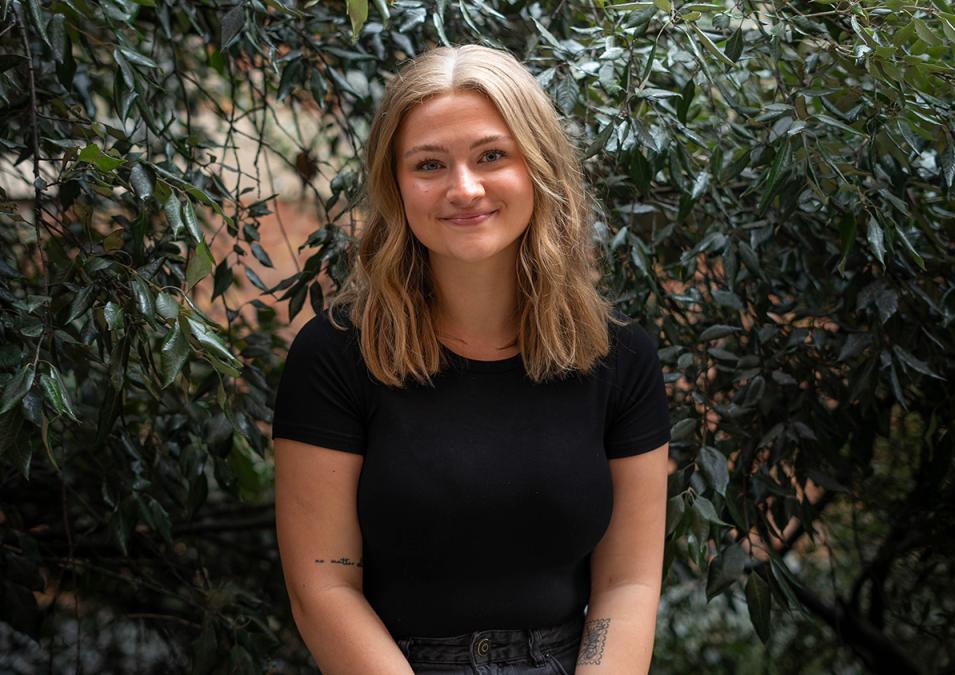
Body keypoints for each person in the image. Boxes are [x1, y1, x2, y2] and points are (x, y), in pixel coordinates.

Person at [272, 44, 670, 675]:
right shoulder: (336, 358)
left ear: (537, 167)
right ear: (395, 185)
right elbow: (323, 589)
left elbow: (628, 584)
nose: (464, 189)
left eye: (492, 156)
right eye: (429, 164)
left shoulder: (619, 358)